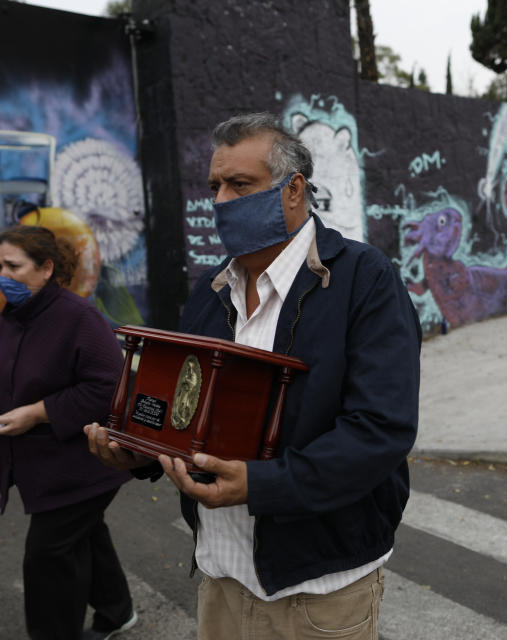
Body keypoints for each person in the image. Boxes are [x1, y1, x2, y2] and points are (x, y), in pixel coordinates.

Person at [85, 112, 421, 639]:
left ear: (294, 191)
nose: (220, 200)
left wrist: (262, 485)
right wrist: (137, 452)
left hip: (318, 588)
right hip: (221, 574)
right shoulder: (210, 291)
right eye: (215, 185)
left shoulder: (364, 279)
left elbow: (381, 431)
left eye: (240, 184)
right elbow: (188, 411)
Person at [0, 225, 138, 640]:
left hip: (81, 465)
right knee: (84, 531)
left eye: (14, 266)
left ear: (46, 268)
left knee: (47, 555)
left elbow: (109, 386)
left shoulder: (78, 317)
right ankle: (117, 613)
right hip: (39, 463)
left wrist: (38, 413)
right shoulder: (10, 316)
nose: (3, 275)